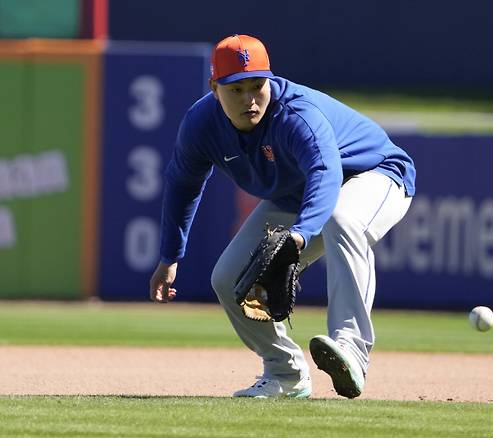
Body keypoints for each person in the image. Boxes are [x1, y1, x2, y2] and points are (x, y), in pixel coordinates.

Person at [148, 34, 415, 399]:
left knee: (342, 219)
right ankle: (284, 374)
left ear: (270, 80)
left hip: (375, 174)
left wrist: (300, 235)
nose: (249, 99)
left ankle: (351, 347)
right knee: (229, 278)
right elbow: (182, 184)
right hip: (296, 195)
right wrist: (170, 256)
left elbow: (325, 175)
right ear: (214, 88)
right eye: (235, 89)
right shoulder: (201, 125)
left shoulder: (295, 115)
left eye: (257, 86)